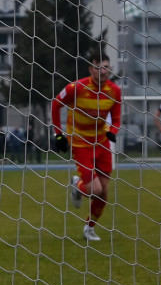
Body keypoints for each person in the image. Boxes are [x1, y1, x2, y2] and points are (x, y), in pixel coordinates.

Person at [50, 52, 123, 242]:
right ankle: (77, 184)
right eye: (98, 67)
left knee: (104, 192)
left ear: (110, 69)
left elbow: (116, 119)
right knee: (95, 190)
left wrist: (112, 131)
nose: (102, 71)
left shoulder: (115, 91)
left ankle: (89, 228)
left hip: (102, 144)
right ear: (91, 69)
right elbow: (56, 104)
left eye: (106, 67)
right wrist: (58, 134)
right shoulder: (77, 87)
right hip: (80, 144)